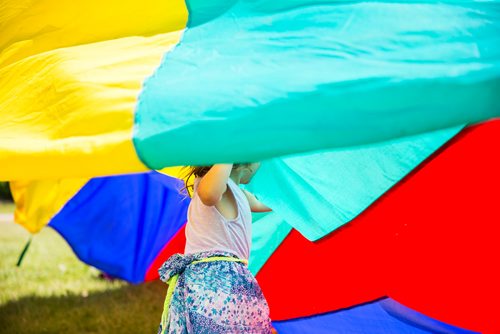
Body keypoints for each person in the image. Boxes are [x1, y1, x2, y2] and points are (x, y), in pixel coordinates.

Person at [158, 163, 275, 333]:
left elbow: (269, 204)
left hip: (231, 277)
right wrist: (227, 154)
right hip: (212, 277)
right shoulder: (213, 185)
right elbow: (209, 195)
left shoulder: (239, 192)